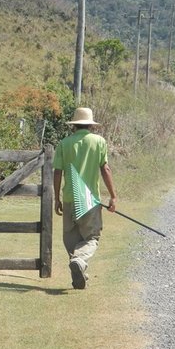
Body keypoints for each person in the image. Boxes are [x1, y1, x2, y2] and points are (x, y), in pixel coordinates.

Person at [53, 107, 117, 289]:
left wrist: (57, 198)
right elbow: (105, 169)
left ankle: (78, 270)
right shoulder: (99, 142)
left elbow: (57, 172)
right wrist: (113, 196)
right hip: (90, 201)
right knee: (91, 238)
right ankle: (80, 262)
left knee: (71, 238)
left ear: (74, 125)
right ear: (91, 125)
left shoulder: (64, 143)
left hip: (69, 198)